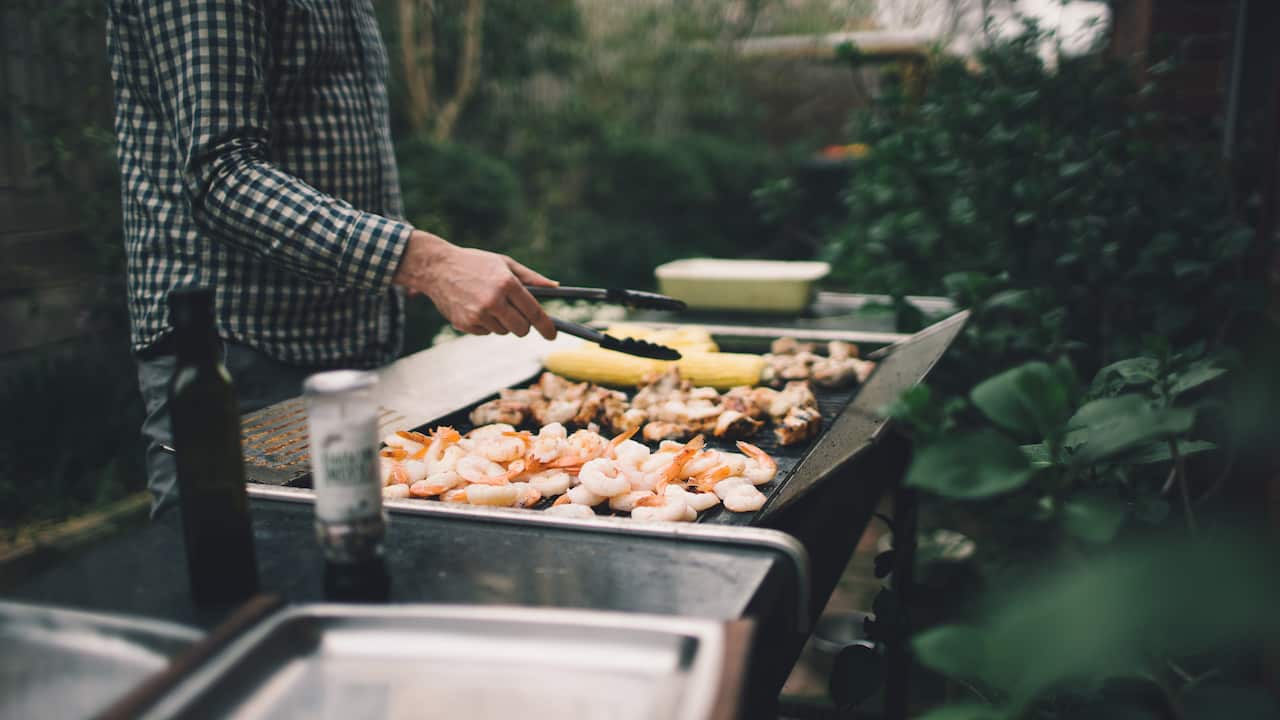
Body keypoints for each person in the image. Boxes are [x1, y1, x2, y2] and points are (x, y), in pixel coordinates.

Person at [105, 0, 556, 514]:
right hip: (235, 355)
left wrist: (404, 257)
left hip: (350, 347)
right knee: (231, 578)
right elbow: (219, 176)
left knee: (363, 569)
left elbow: (319, 141)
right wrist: (425, 262)